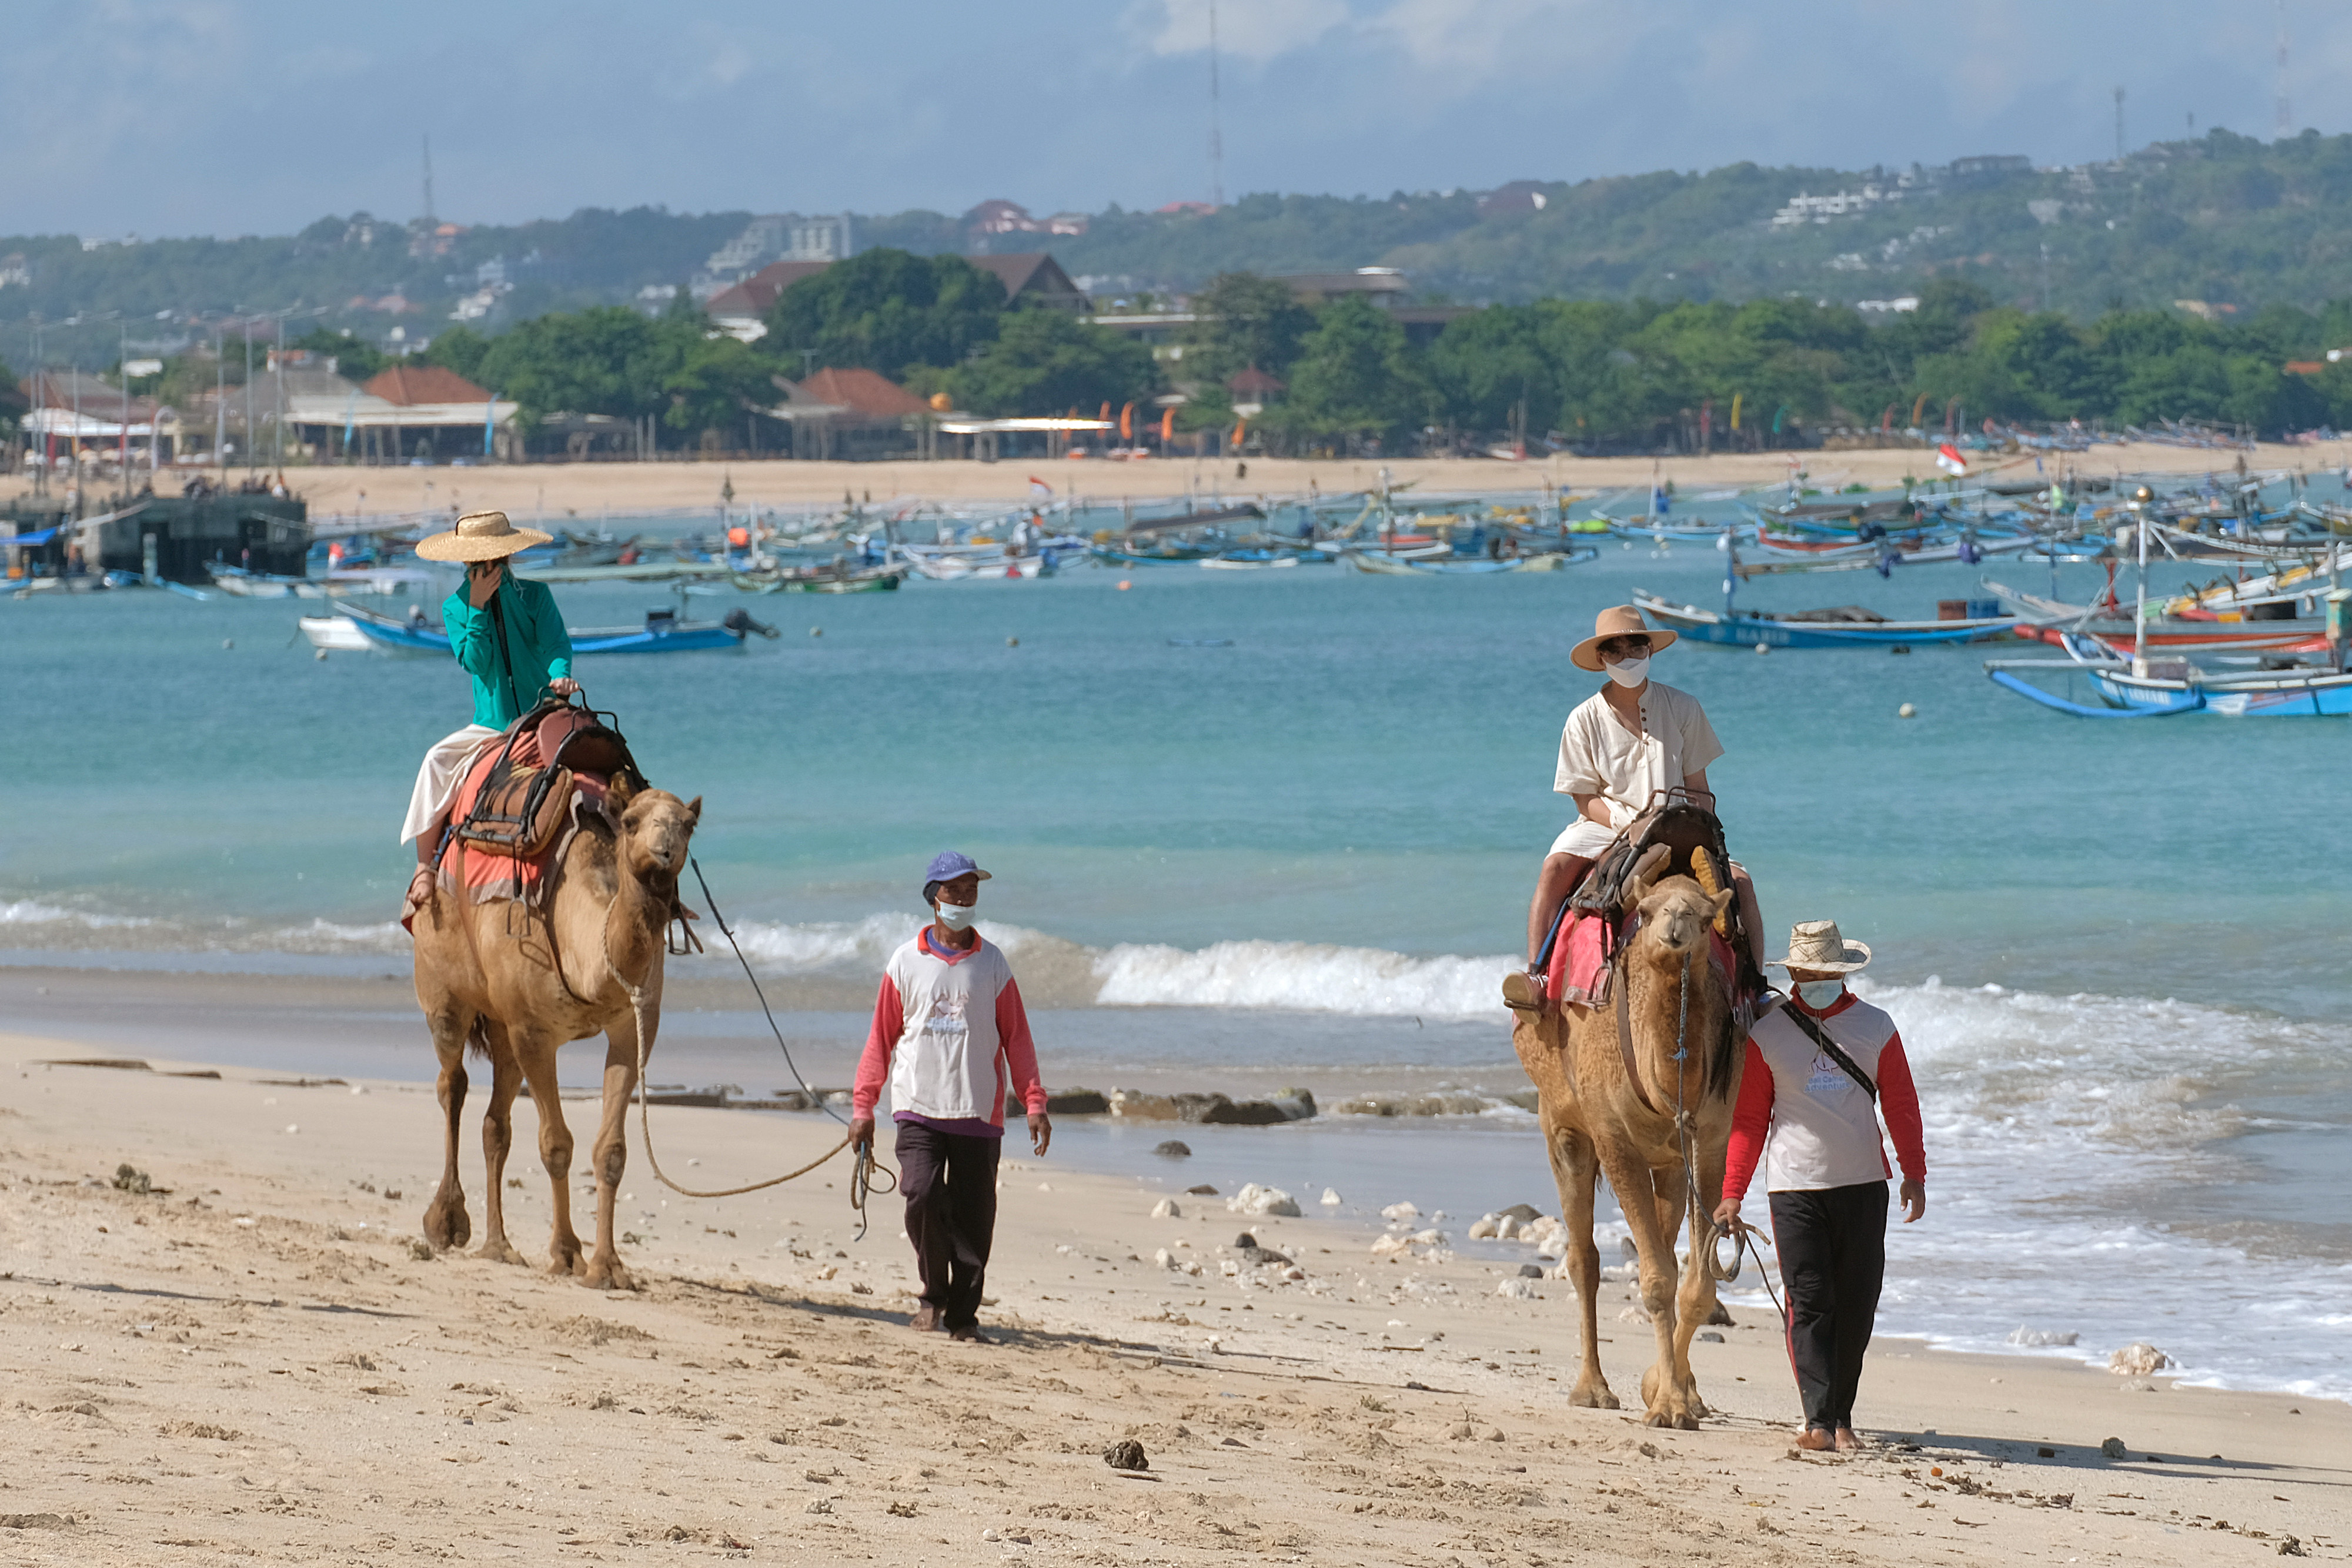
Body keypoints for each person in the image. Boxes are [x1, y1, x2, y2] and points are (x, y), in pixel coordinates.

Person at [1713, 920, 1926, 1453]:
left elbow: (1901, 1105)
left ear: (1840, 973)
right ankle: (1818, 1420)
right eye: (1807, 973)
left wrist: (1914, 1174)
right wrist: (1732, 1192)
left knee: (1857, 1303)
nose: (1816, 979)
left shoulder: (1877, 1028)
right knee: (1809, 1302)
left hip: (1864, 1186)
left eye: (1825, 972)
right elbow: (1749, 1121)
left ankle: (1842, 1414)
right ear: (1796, 975)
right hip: (1794, 1191)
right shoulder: (1770, 1034)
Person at [849, 853, 1050, 1345]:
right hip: (917, 1105)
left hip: (978, 1112)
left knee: (974, 1220)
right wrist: (863, 1107)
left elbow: (1017, 1038)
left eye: (971, 890)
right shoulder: (905, 961)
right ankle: (932, 1294)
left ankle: (964, 1317)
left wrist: (1035, 1101)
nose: (964, 899)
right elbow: (881, 1038)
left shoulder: (993, 964)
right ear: (933, 897)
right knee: (919, 1195)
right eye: (954, 890)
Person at [1515, 604, 1765, 991]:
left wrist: (1698, 822)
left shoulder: (1684, 707)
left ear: (1651, 650)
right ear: (1601, 658)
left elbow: (1699, 787)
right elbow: (1584, 798)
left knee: (1741, 884)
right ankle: (1537, 977)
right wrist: (1626, 824)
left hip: (1675, 821)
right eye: (1615, 649)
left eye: (1636, 646)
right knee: (1553, 869)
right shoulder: (1583, 718)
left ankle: (1755, 985)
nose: (1627, 656)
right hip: (1604, 825)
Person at [399, 510, 576, 921]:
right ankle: (425, 865)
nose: (487, 567)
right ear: (467, 563)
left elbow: (556, 647)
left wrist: (561, 677)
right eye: (478, 562)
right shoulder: (455, 607)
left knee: (611, 760)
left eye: (494, 559)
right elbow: (476, 663)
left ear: (507, 557)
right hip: (491, 727)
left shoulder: (536, 596)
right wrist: (477, 607)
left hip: (544, 714)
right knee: (435, 761)